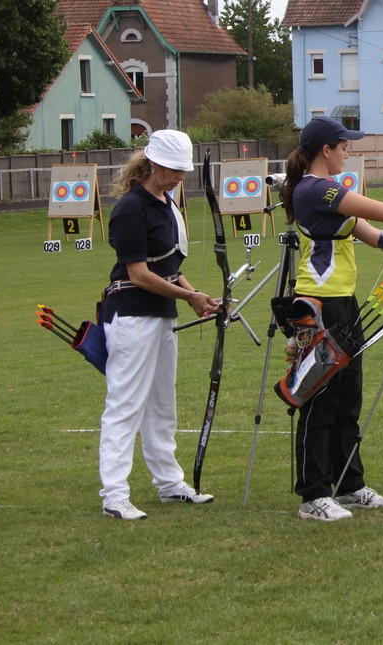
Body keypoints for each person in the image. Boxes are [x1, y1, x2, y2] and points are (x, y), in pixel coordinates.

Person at [282, 117, 383, 522]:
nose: (347, 153)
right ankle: (314, 494)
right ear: (326, 150)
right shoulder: (315, 189)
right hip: (318, 306)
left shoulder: (329, 195)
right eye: (343, 147)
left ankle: (349, 485)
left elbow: (373, 234)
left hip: (344, 306)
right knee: (319, 403)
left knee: (346, 401)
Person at [100, 129, 221, 520]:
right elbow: (138, 273)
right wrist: (187, 297)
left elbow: (170, 267)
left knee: (162, 407)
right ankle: (114, 495)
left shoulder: (166, 202)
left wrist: (196, 295)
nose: (178, 177)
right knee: (125, 405)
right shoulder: (131, 209)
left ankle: (169, 484)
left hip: (161, 315)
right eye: (172, 170)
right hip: (132, 314)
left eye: (182, 171)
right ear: (152, 163)